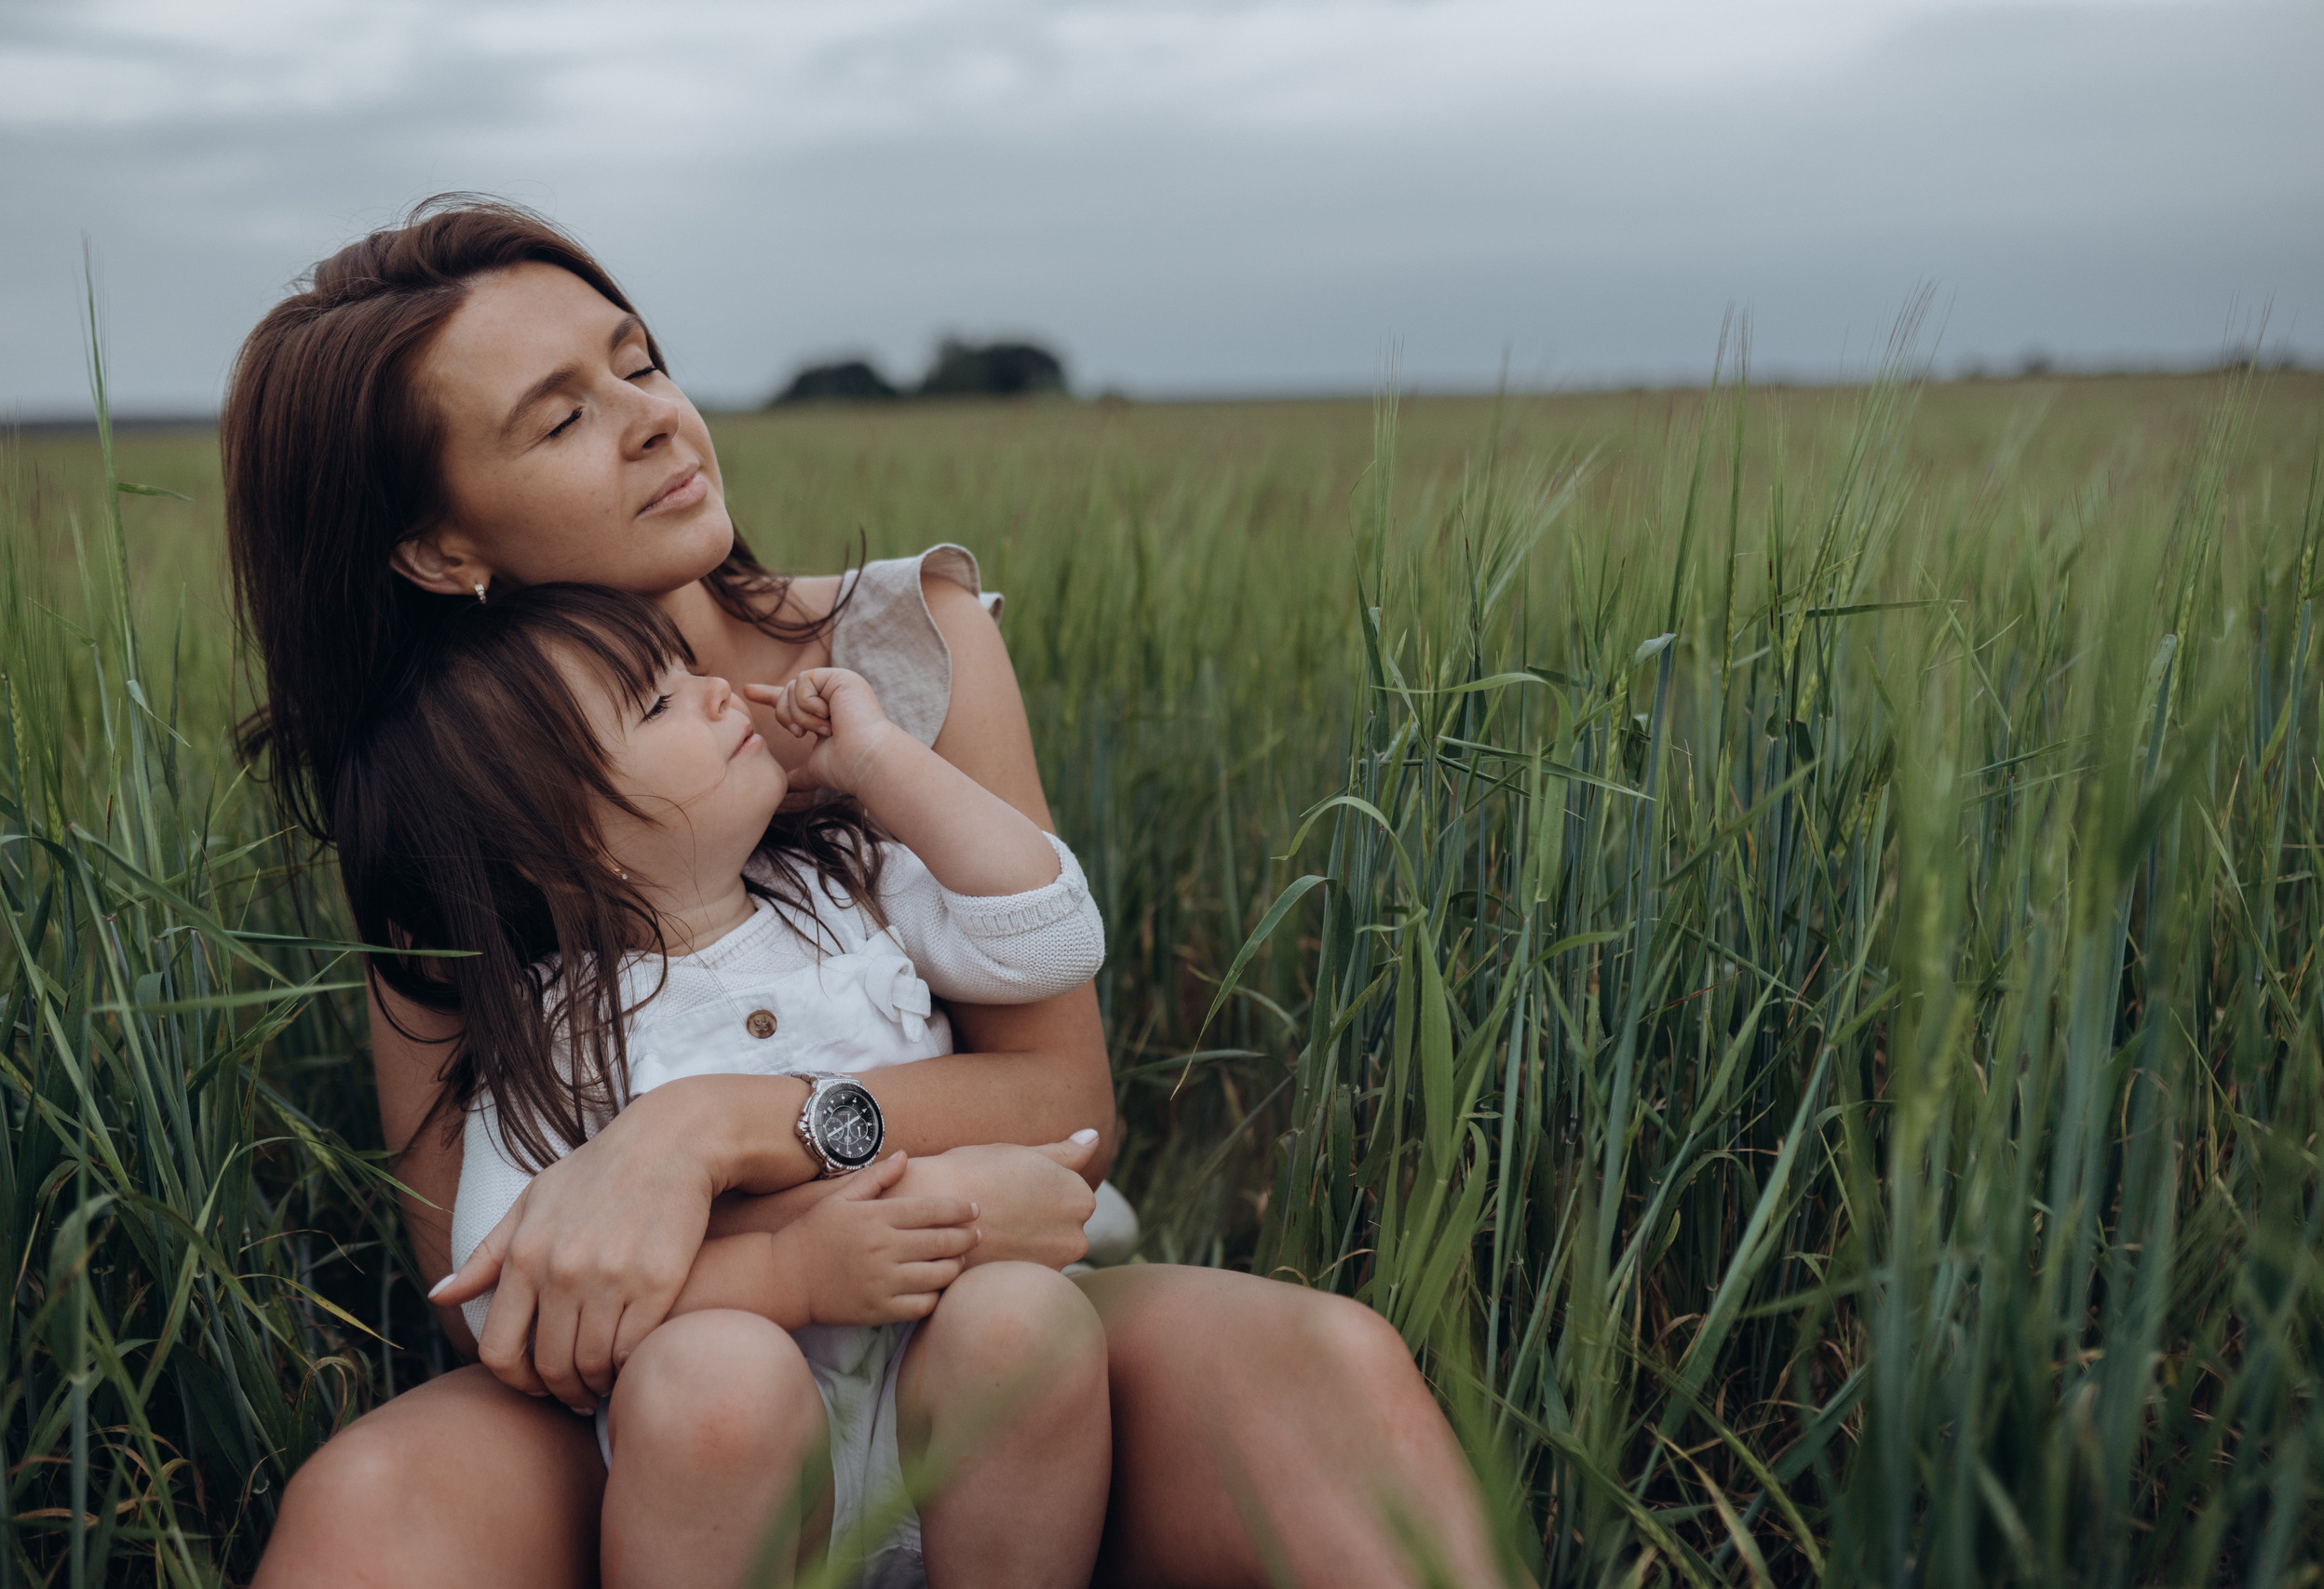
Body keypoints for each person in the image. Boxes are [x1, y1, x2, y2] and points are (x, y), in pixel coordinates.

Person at [237, 195, 1500, 1589]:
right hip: (663, 1391)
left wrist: (708, 1129)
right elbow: (488, 1284)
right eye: (559, 418)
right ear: (439, 547)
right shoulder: (447, 806)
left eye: (640, 362)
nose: (658, 417)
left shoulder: (896, 649)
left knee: (1331, 1366)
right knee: (366, 1511)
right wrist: (787, 1261)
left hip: (973, 1315)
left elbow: (1064, 1101)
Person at [332, 580, 1114, 1586]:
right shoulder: (554, 1043)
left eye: (687, 671)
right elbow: (505, 1298)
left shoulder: (850, 889)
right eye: (657, 704)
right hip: (735, 1478)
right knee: (714, 1376)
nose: (716, 693)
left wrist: (880, 764)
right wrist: (785, 1273)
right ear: (549, 849)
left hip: (940, 1409)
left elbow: (1052, 942)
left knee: (1026, 1321)